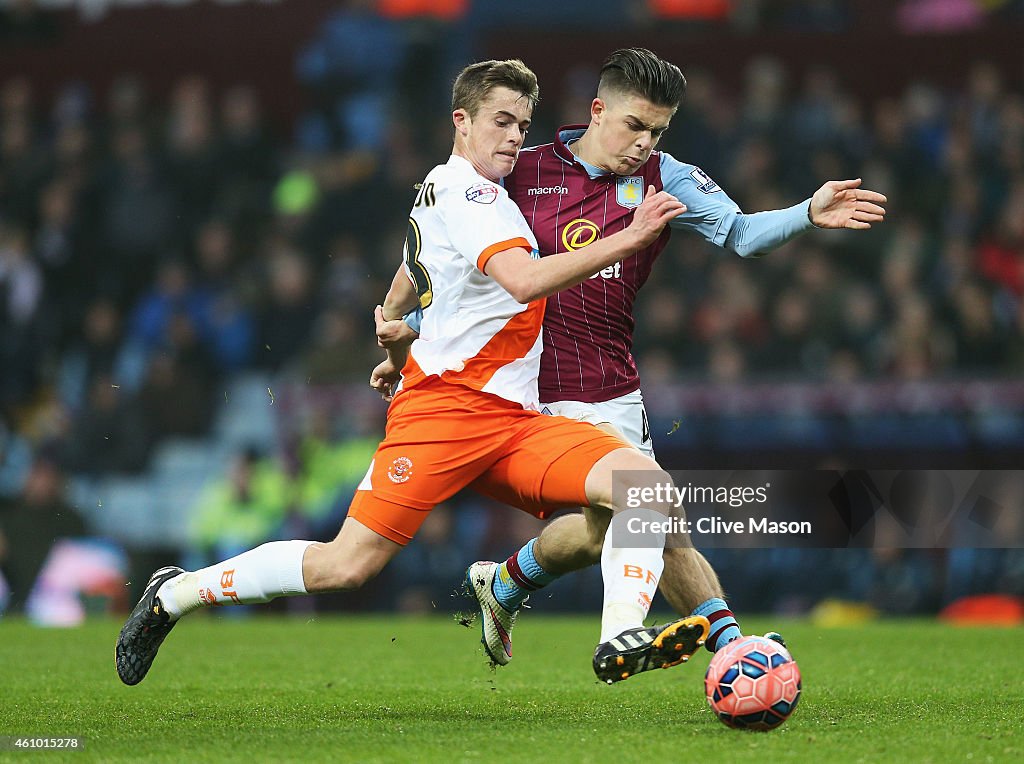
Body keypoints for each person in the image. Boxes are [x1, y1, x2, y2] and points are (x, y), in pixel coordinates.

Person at [116, 58, 709, 688]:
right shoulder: (472, 194)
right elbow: (525, 280)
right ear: (461, 121)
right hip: (445, 413)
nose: (514, 136)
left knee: (643, 485)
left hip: (513, 420)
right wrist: (631, 237)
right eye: (501, 122)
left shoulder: (450, 188)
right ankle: (174, 594)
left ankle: (618, 637)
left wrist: (395, 342)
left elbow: (408, 277)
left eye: (523, 124)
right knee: (346, 566)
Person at [376, 48, 887, 668]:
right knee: (650, 517)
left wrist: (806, 212)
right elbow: (444, 252)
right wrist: (407, 326)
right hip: (530, 389)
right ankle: (658, 641)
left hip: (612, 386)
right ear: (598, 110)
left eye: (658, 131)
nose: (646, 143)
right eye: (635, 126)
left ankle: (508, 583)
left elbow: (742, 234)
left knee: (617, 528)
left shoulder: (667, 178)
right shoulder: (517, 169)